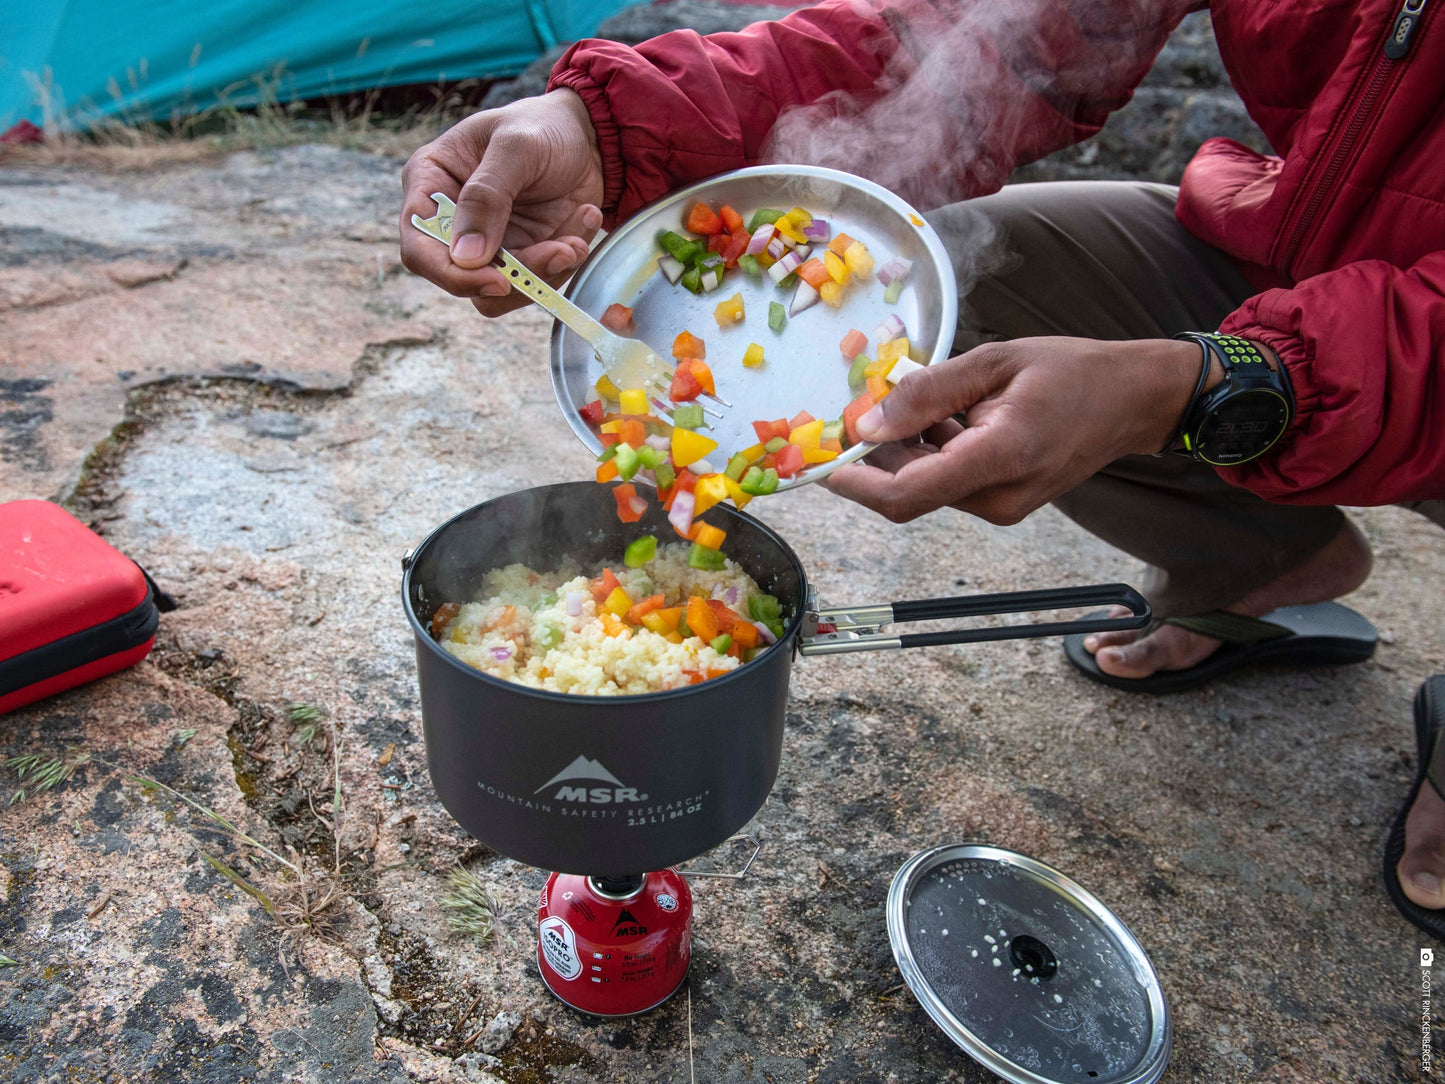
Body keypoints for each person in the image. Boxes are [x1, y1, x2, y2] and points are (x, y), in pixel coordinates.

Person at [398, 0, 1445, 935]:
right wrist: (607, 128)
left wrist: (1199, 383)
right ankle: (1260, 559)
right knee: (967, 285)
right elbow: (993, 34)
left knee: (1089, 368)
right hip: (1307, 242)